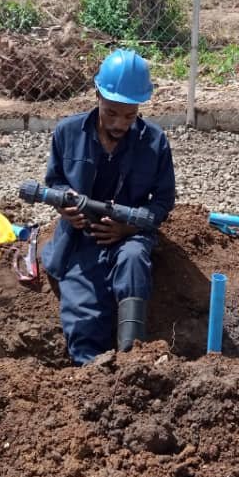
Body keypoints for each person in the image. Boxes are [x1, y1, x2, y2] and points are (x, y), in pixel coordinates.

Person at [40, 48, 176, 364]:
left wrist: (129, 225)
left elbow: (164, 201)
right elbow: (55, 181)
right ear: (98, 94)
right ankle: (90, 372)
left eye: (130, 115)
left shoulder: (154, 142)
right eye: (112, 112)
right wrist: (66, 209)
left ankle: (131, 360)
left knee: (132, 260)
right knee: (84, 308)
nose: (120, 123)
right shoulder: (68, 133)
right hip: (81, 237)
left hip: (130, 235)